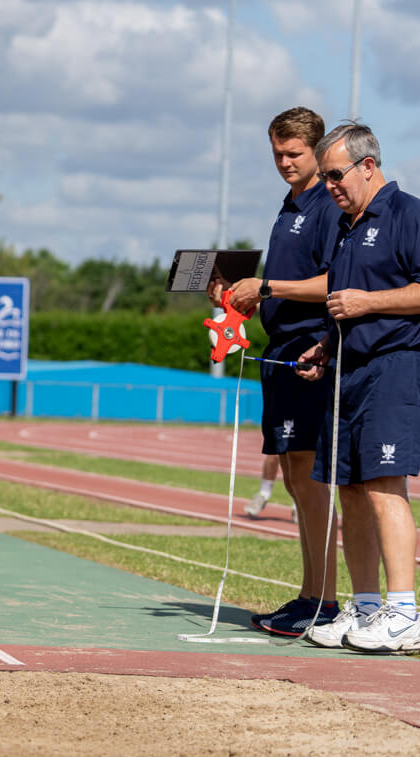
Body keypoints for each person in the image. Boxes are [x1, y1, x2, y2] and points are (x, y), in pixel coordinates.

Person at [211, 107, 341, 637]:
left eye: (295, 154)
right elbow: (278, 284)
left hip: (311, 352)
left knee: (312, 482)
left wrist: (266, 287)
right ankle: (311, 594)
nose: (285, 163)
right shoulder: (288, 206)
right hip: (279, 351)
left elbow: (337, 280)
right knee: (294, 479)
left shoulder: (328, 206)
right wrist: (237, 296)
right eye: (277, 154)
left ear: (317, 151)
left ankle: (325, 600)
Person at [296, 122, 420, 654]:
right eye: (324, 177)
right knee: (348, 488)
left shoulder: (408, 213)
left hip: (393, 367)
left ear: (368, 165)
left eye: (335, 175)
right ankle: (367, 605)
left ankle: (405, 610)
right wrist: (326, 345)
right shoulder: (347, 226)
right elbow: (344, 300)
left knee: (384, 485)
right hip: (348, 370)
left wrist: (369, 304)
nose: (330, 186)